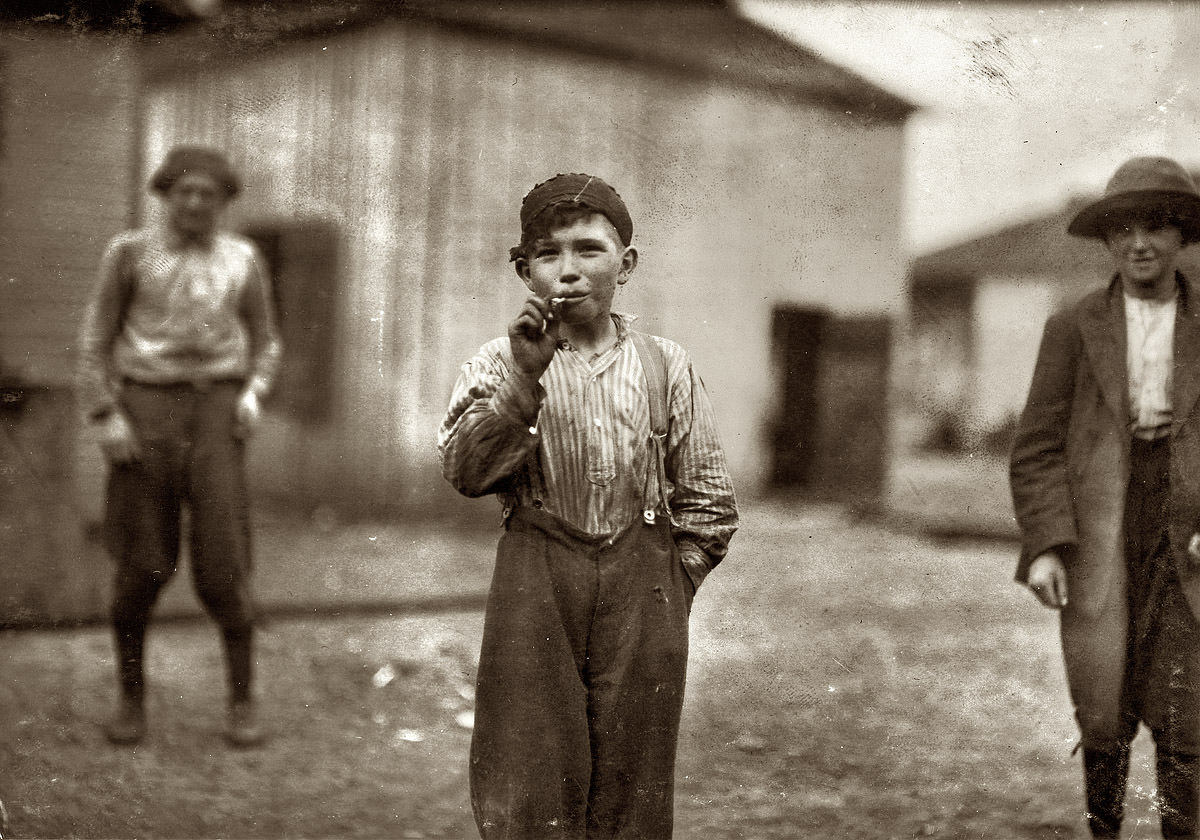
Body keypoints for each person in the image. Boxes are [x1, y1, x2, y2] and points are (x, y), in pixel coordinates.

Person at [437, 173, 738, 838]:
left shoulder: (667, 366)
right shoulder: (498, 362)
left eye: (588, 250)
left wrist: (670, 582)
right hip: (536, 577)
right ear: (524, 270)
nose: (568, 271)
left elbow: (710, 505)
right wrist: (523, 380)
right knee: (528, 777)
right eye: (548, 254)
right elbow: (466, 471)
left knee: (634, 784)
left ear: (625, 265)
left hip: (644, 586)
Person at [1011, 155, 1200, 838]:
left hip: (1188, 536)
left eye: (1156, 228)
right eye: (1124, 231)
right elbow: (1036, 447)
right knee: (1103, 707)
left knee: (1187, 715)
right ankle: (1105, 831)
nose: (1140, 244)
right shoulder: (1074, 326)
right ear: (1109, 242)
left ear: (1182, 235)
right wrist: (1046, 545)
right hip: (1099, 530)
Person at [76, 145, 282, 748]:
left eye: (208, 194)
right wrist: (104, 413)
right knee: (143, 563)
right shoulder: (129, 253)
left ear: (223, 203)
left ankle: (242, 703)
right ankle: (131, 699)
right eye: (183, 192)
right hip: (145, 410)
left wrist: (254, 394)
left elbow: (266, 341)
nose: (195, 203)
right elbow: (95, 338)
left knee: (223, 564)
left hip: (218, 413)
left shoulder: (243, 258)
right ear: (165, 195)